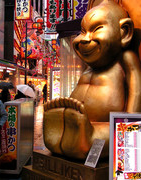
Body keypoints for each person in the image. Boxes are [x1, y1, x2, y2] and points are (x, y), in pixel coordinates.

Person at [43, 1, 141, 159]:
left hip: (109, 126)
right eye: (82, 31)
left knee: (96, 138)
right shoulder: (89, 68)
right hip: (82, 123)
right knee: (65, 137)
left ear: (124, 33)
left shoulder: (126, 59)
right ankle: (62, 134)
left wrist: (129, 124)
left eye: (96, 29)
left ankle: (79, 136)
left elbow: (136, 93)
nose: (84, 39)